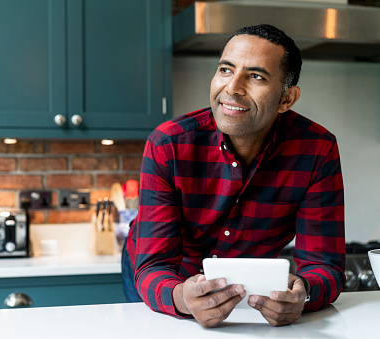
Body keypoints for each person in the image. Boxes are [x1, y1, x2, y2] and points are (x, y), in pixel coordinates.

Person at [122, 24, 345, 328]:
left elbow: (324, 265)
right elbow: (153, 266)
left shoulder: (317, 150)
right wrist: (181, 297)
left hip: (247, 288)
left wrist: (303, 293)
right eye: (226, 70)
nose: (232, 87)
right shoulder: (168, 146)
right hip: (169, 279)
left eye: (256, 76)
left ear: (286, 99)